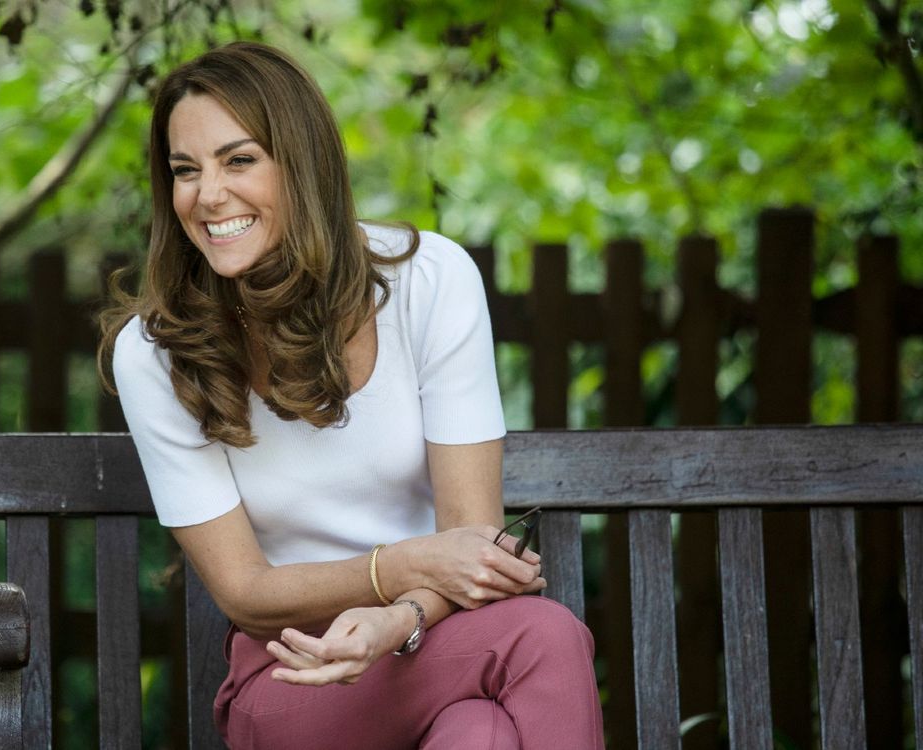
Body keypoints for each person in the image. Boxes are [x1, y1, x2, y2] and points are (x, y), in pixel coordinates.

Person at [98, 41, 604, 749]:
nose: (208, 195)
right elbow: (243, 591)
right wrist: (397, 567)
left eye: (239, 160)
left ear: (301, 165)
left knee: (477, 734)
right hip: (293, 674)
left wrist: (401, 617)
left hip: (434, 642)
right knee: (543, 635)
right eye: (186, 170)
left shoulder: (429, 283)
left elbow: (470, 540)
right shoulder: (155, 353)